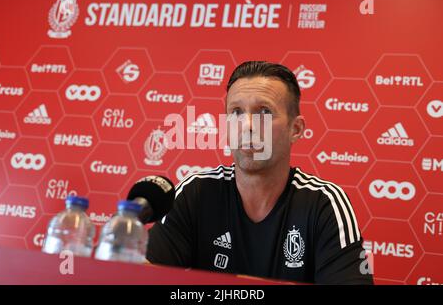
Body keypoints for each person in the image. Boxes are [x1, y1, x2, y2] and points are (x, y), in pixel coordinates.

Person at [146, 61, 373, 284]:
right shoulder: (195, 192)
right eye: (236, 112)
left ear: (296, 129)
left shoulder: (324, 202)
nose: (247, 126)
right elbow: (142, 277)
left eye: (264, 112)